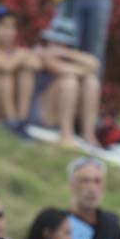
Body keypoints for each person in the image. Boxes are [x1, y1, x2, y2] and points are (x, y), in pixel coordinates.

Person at [32, 13, 101, 147]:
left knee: (91, 81)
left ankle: (88, 134)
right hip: (41, 114)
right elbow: (59, 69)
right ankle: (66, 134)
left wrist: (66, 53)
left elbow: (95, 64)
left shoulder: (69, 55)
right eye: (55, 41)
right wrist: (83, 70)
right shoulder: (40, 52)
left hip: (59, 112)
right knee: (69, 81)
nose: (58, 45)